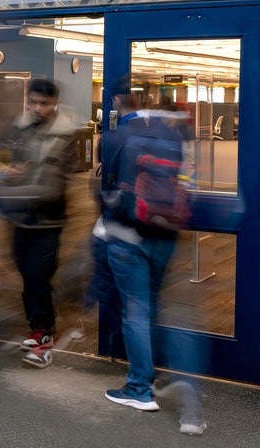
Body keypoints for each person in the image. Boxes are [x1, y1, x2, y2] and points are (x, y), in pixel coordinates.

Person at [97, 80, 195, 426]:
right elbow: (186, 181)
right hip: (165, 233)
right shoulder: (175, 136)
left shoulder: (113, 137)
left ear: (116, 101)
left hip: (128, 235)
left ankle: (139, 389)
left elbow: (104, 185)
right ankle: (150, 373)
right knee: (151, 304)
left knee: (134, 311)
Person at [0, 77, 76, 368]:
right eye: (34, 102)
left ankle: (44, 338)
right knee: (28, 277)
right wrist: (5, 174)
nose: (38, 108)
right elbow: (7, 165)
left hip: (47, 221)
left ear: (55, 104)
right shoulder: (20, 127)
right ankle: (37, 328)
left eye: (45, 103)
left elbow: (51, 189)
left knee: (39, 277)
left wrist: (9, 191)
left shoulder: (64, 136)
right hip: (20, 219)